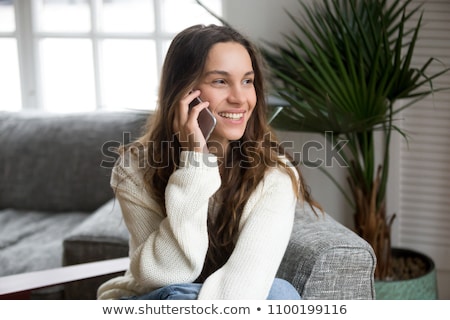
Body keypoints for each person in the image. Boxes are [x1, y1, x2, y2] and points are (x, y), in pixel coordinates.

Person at [97, 24, 320, 300]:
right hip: (150, 298)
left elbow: (243, 288)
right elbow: (168, 274)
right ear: (184, 93)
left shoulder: (274, 175)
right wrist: (195, 163)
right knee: (179, 295)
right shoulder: (134, 167)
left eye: (247, 81)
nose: (240, 98)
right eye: (220, 81)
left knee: (279, 293)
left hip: (216, 301)